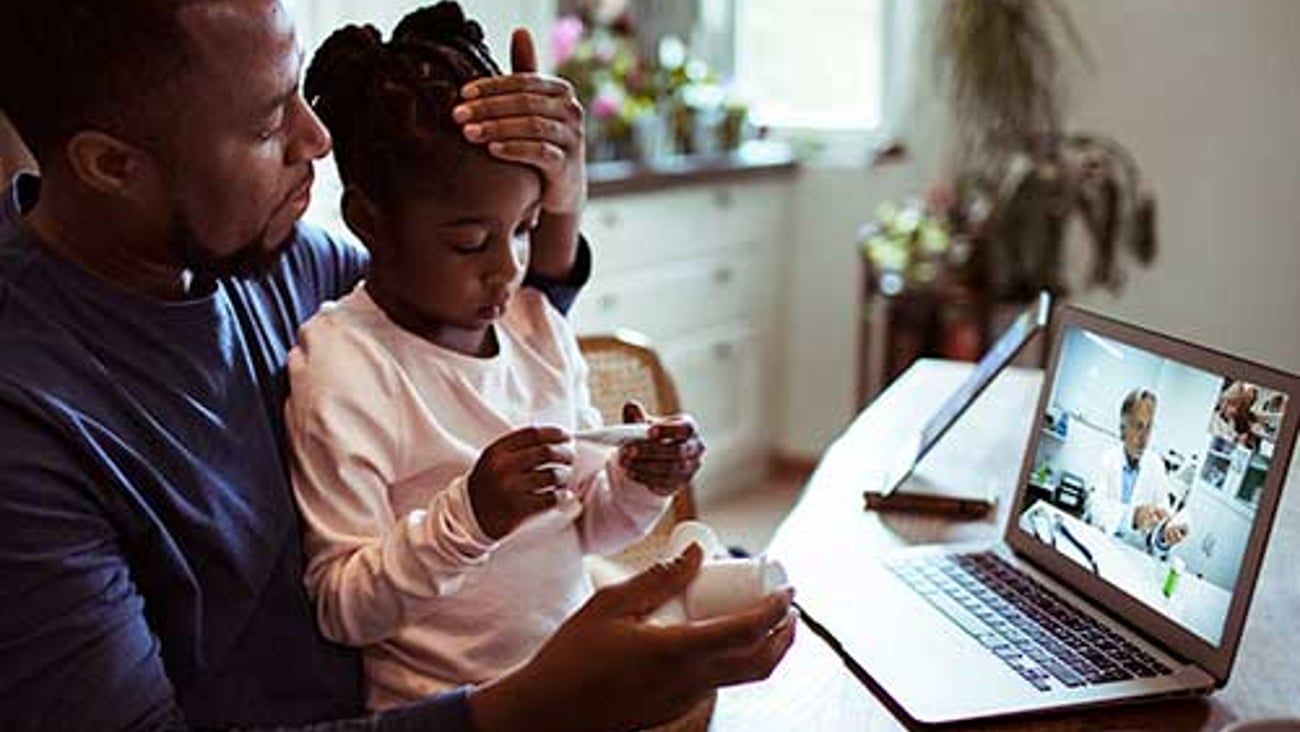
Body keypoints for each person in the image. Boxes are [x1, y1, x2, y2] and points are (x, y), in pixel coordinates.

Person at [0, 1, 794, 730]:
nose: (316, 141)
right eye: (270, 122)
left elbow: (468, 315)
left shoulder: (272, 261)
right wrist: (526, 708)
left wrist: (558, 199)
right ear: (111, 165)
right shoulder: (29, 428)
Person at [289, 4, 706, 710]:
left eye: (524, 230)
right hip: (451, 715)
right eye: (468, 241)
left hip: (581, 696)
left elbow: (589, 528)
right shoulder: (344, 367)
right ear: (367, 221)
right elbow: (342, 606)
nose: (507, 269)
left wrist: (638, 483)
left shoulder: (536, 326)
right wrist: (471, 516)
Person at [1086, 389, 1189, 554]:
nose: (1144, 438)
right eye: (1138, 426)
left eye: (1149, 428)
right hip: (1100, 547)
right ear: (1123, 428)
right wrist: (1132, 517)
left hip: (1132, 556)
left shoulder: (1156, 466)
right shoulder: (1107, 459)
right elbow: (1094, 507)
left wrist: (1165, 535)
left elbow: (1161, 523)